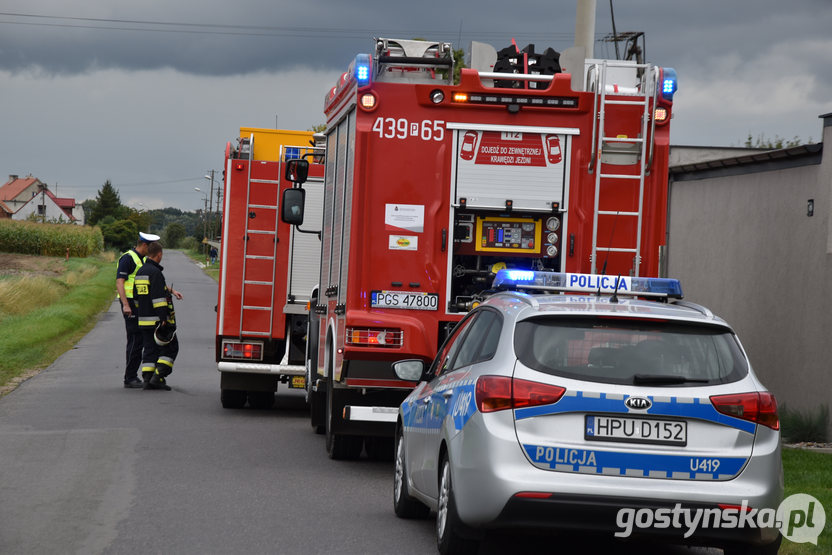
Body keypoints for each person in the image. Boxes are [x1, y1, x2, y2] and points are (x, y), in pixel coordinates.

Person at [134, 241, 183, 390]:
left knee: (149, 349)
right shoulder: (155, 273)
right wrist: (163, 319)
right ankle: (158, 377)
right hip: (157, 320)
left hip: (143, 320)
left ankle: (147, 379)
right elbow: (159, 299)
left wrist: (141, 312)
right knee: (171, 348)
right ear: (159, 254)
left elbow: (136, 297)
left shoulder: (140, 271)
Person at [116, 232, 159, 388]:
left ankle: (133, 375)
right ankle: (130, 377)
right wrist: (126, 304)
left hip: (139, 305)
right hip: (130, 306)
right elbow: (120, 282)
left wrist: (169, 290)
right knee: (135, 340)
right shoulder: (128, 258)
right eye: (152, 247)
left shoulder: (141, 260)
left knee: (141, 340)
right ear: (145, 245)